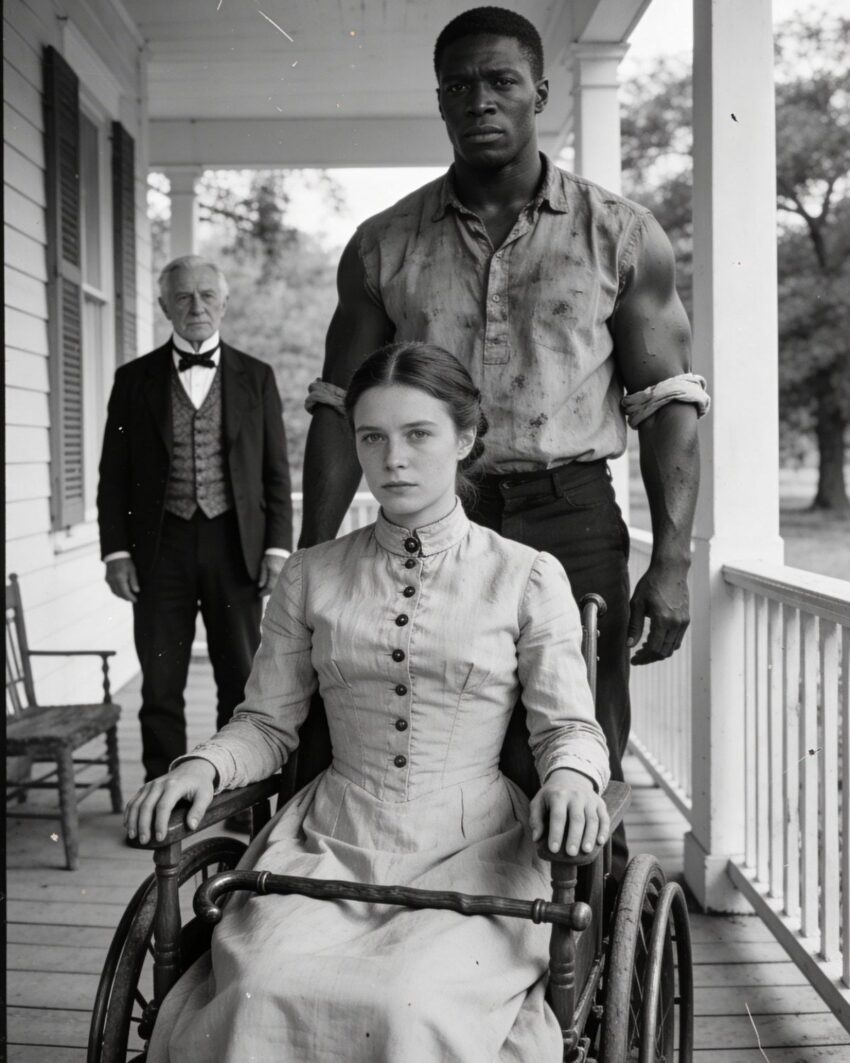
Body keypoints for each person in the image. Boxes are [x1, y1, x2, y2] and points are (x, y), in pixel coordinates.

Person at [299, 6, 709, 875]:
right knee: (427, 728)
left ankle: (579, 930)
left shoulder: (621, 234)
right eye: (459, 85)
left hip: (572, 515)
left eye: (501, 81)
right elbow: (338, 405)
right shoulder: (383, 245)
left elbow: (668, 401)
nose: (479, 100)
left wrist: (672, 561)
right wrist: (310, 559)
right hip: (429, 518)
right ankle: (446, 923)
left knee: (576, 743)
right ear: (440, 101)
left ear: (540, 94)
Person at [126, 342, 611, 1063]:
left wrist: (570, 777)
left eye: (419, 434)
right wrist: (204, 765)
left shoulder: (525, 576)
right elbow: (265, 722)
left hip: (475, 850)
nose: (394, 459)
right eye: (372, 438)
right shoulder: (312, 576)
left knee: (407, 1000)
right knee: (265, 980)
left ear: (464, 439)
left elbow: (568, 726)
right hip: (329, 841)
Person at [97, 255, 293, 783]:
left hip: (236, 546)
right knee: (160, 683)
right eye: (183, 296)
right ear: (165, 306)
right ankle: (161, 797)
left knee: (240, 679)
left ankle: (234, 790)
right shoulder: (133, 380)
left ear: (224, 302)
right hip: (158, 549)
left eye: (207, 295)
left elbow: (275, 471)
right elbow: (113, 475)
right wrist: (115, 553)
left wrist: (277, 549)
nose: (196, 306)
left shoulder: (257, 376)